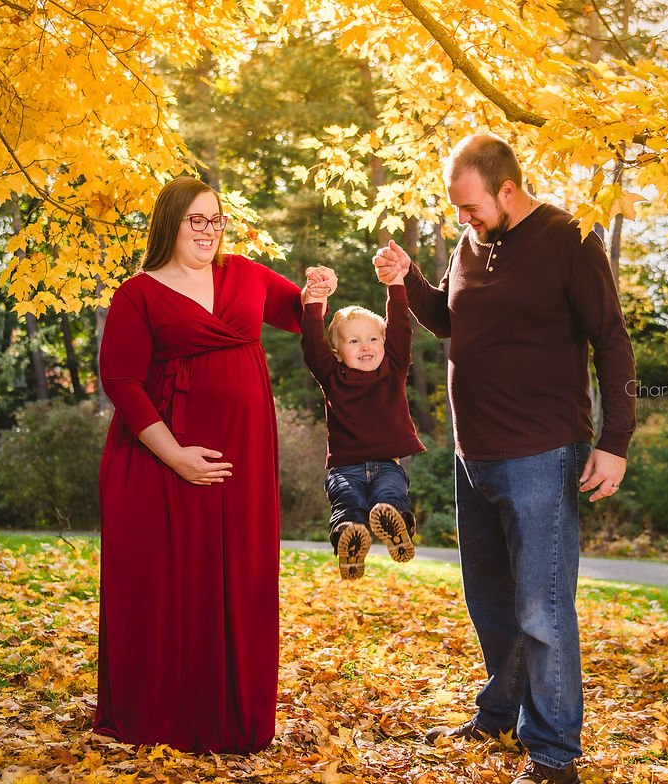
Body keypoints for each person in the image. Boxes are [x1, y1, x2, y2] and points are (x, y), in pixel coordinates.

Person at [373, 134, 636, 784]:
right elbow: (450, 319)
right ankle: (501, 712)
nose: (463, 218)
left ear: (507, 190)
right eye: (457, 209)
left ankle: (553, 757)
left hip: (542, 453)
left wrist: (615, 440)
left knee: (542, 607)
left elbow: (611, 339)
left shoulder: (570, 239)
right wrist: (407, 276)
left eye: (470, 206)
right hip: (475, 455)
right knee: (489, 600)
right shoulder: (471, 246)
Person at [94, 176, 335, 754]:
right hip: (159, 461)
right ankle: (162, 716)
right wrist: (174, 454)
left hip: (243, 460)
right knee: (167, 583)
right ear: (170, 225)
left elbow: (302, 316)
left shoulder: (246, 274)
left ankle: (233, 715)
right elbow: (120, 379)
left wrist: (319, 292)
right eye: (196, 220)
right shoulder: (137, 294)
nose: (208, 230)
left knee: (239, 574)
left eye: (216, 219)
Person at [300, 269, 425, 579]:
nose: (366, 346)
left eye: (373, 339)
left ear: (384, 343)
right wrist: (314, 304)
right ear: (337, 354)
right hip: (345, 470)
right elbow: (312, 344)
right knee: (348, 505)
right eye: (354, 341)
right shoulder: (331, 376)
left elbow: (400, 328)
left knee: (390, 496)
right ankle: (351, 543)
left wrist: (396, 284)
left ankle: (397, 529)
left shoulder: (393, 368)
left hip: (387, 465)